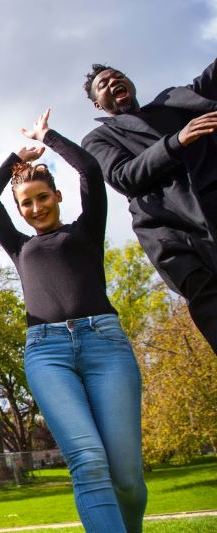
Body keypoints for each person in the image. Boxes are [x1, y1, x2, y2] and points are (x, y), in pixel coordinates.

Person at [0, 110, 146, 533]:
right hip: (46, 352)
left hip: (104, 345)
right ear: (19, 210)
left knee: (126, 478)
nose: (35, 208)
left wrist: (47, 137)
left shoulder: (86, 230)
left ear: (57, 196)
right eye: (26, 203)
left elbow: (89, 167)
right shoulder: (19, 248)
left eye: (42, 197)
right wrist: (16, 157)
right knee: (88, 462)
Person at [82, 60, 217, 354]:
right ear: (97, 104)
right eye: (102, 84)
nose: (112, 82)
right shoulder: (99, 138)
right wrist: (176, 142)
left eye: (117, 76)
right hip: (179, 239)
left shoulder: (174, 102)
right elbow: (123, 175)